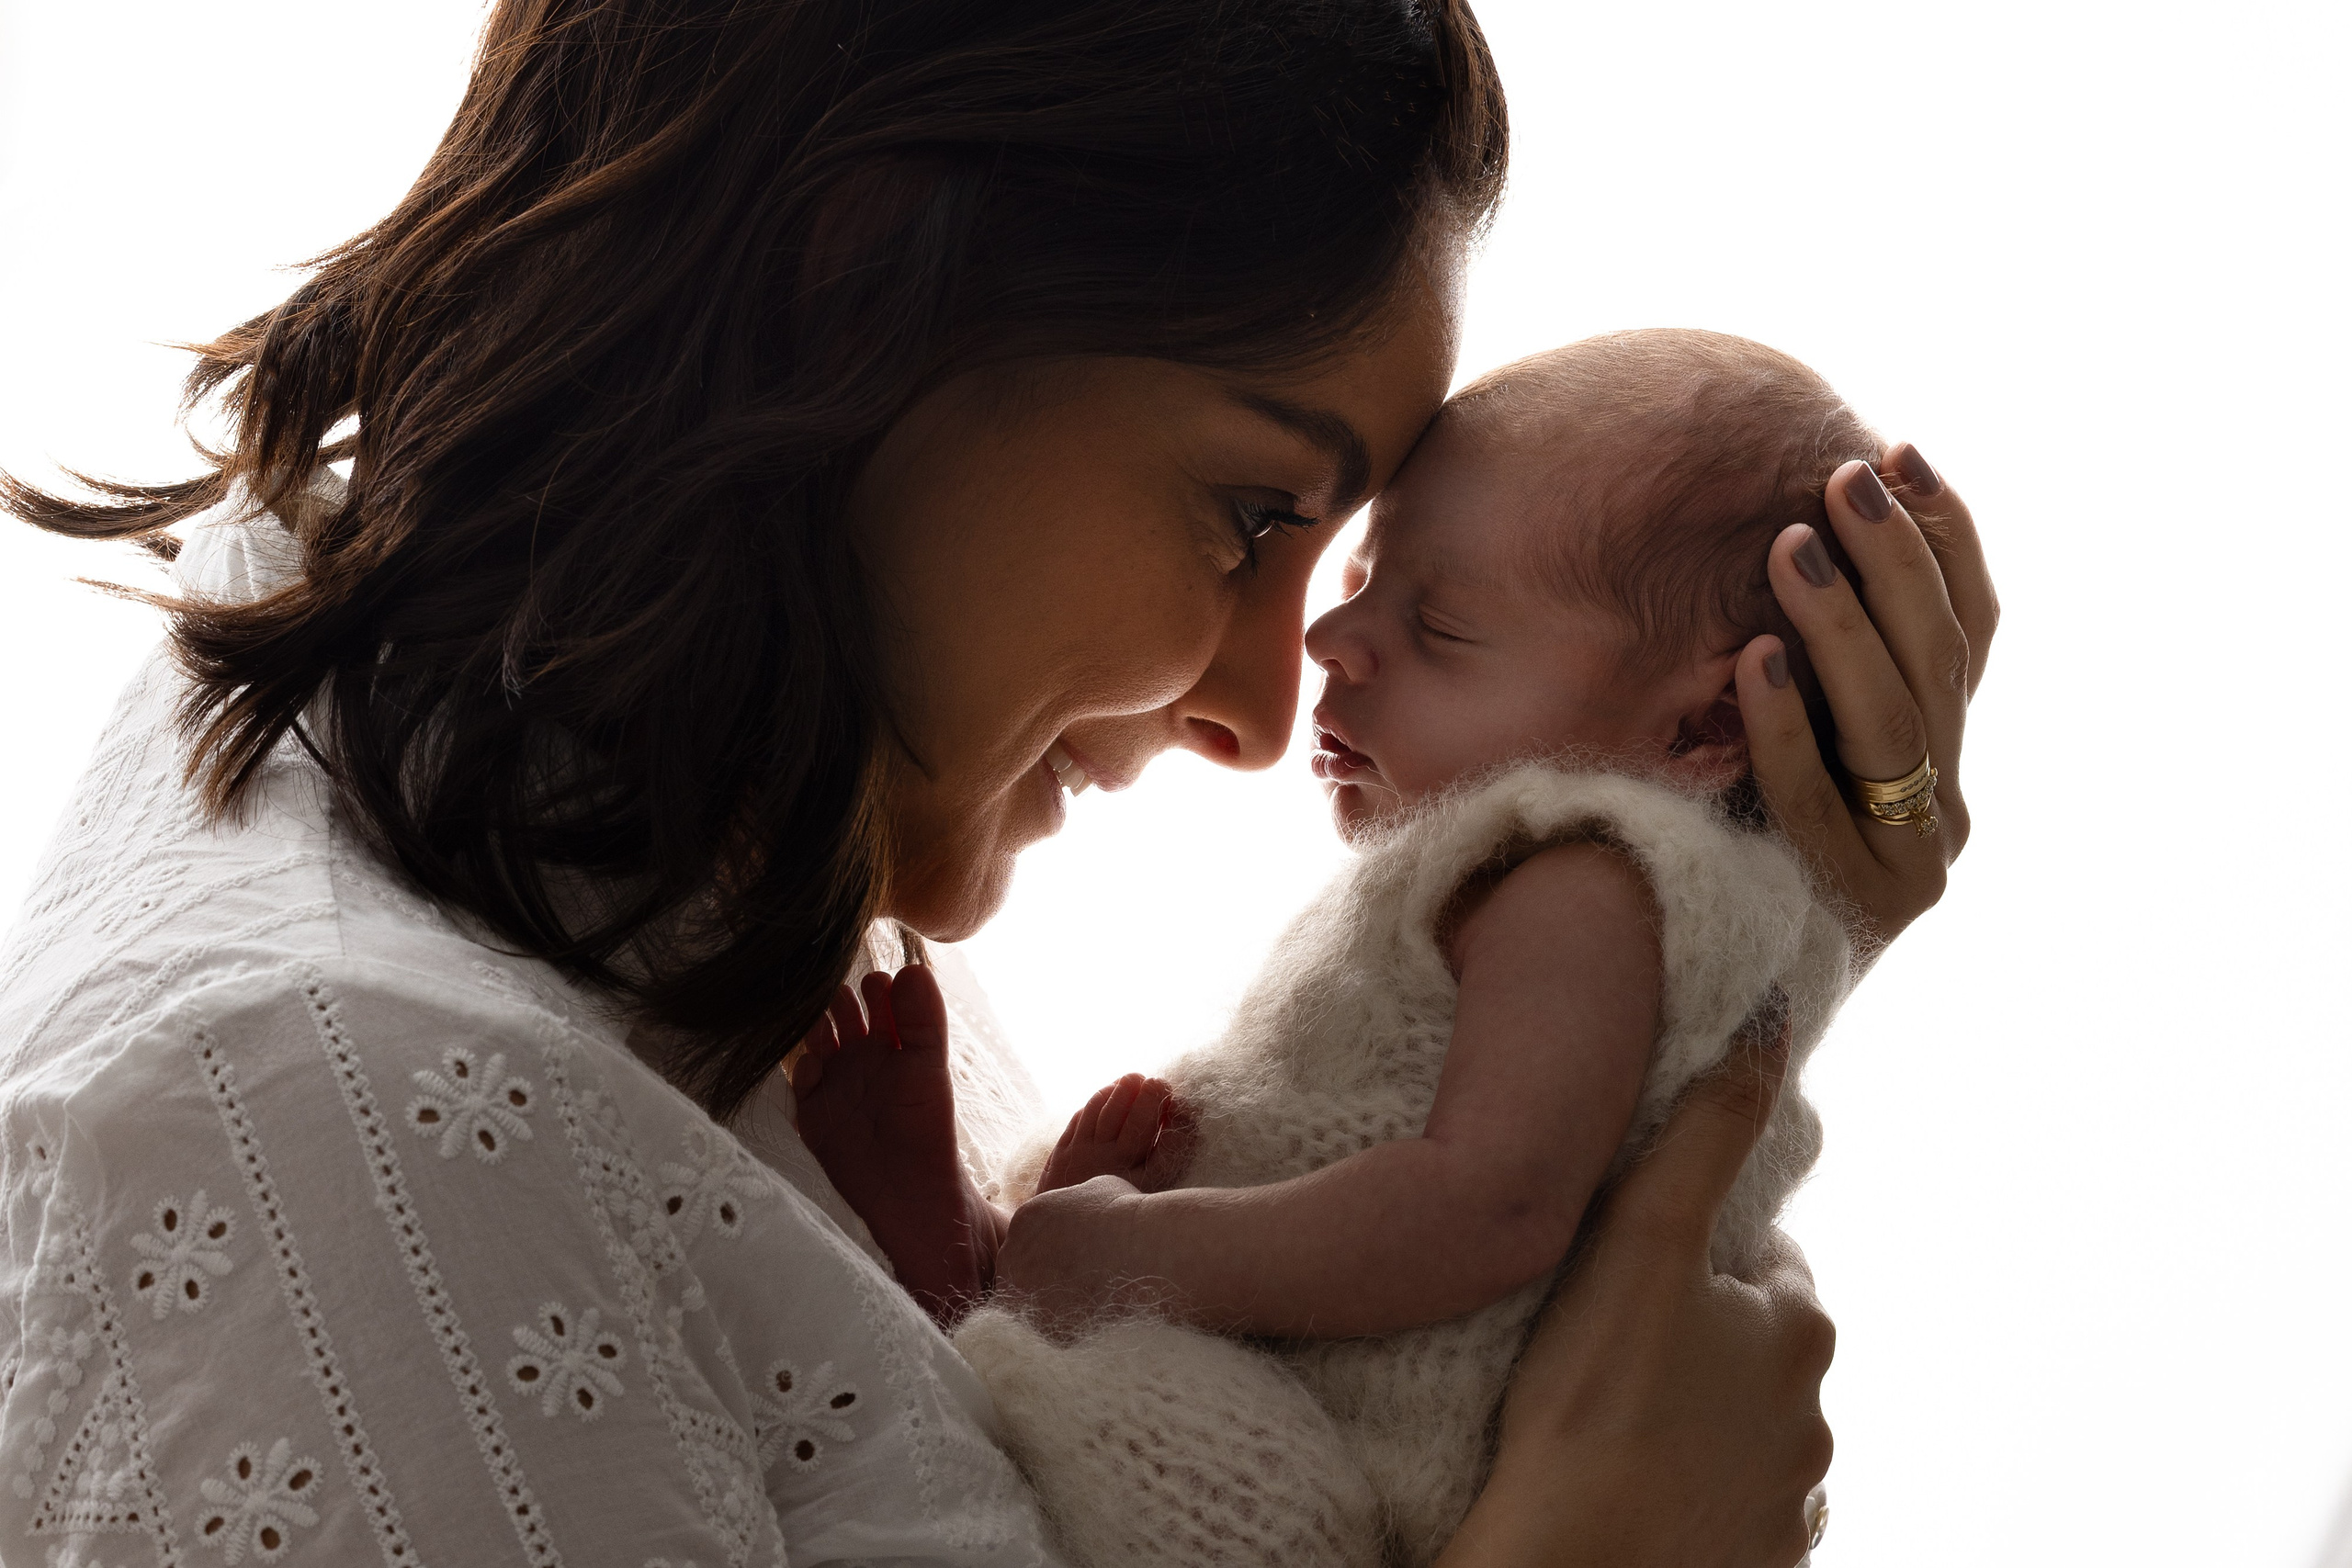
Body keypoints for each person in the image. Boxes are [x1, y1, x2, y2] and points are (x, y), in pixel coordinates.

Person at [0, 3, 1995, 1566]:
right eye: (1244, 515)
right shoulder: (343, 1129)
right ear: (859, 278)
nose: (1252, 706)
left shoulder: (660, 797)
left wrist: (1749, 916)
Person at [789, 331, 1884, 1566]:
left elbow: (1491, 1210)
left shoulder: (1586, 870)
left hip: (1375, 1466)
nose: (1332, 642)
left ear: (1705, 724)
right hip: (1339, 1386)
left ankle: (966, 1275)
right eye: (1365, 582)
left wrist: (1129, 1253)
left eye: (1445, 625)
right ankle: (993, 1270)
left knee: (1200, 1500)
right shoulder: (1604, 880)